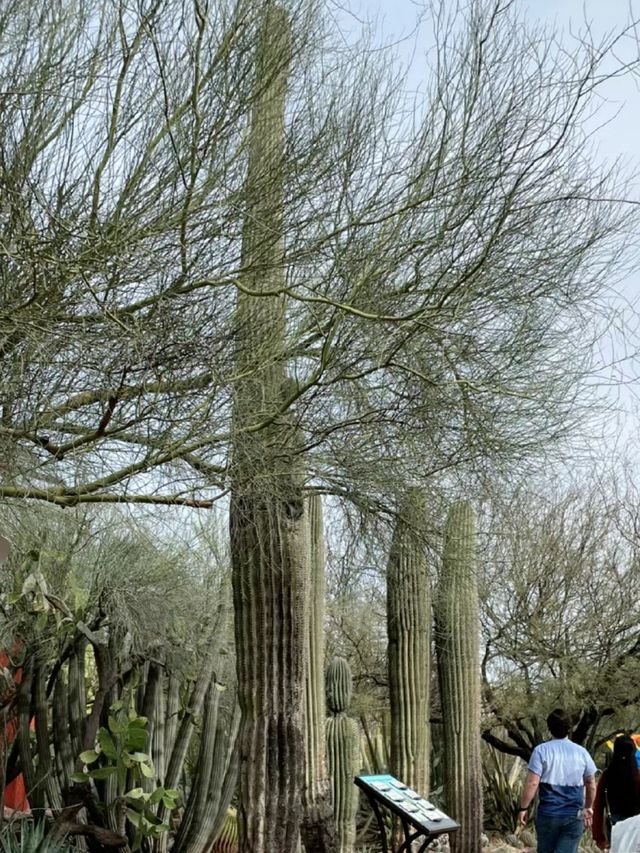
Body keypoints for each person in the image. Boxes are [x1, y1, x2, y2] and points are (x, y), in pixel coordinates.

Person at [518, 709, 597, 853]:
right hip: (574, 814)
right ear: (570, 728)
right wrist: (589, 807)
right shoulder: (581, 752)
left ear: (549, 727)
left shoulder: (541, 751)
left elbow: (532, 783)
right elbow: (591, 783)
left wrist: (524, 808)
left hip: (548, 814)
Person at [592, 734, 640, 850]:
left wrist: (599, 836)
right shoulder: (637, 776)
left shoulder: (607, 776)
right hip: (636, 827)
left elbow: (598, 807)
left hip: (614, 826)